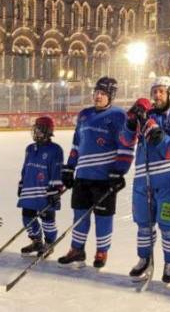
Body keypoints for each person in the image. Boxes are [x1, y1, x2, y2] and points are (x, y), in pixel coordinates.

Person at [58, 77, 134, 269]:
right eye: (96, 92)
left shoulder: (119, 116)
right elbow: (77, 144)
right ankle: (77, 249)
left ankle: (102, 251)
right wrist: (69, 167)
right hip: (83, 177)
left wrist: (119, 172)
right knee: (79, 215)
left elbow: (126, 146)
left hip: (104, 179)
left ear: (111, 96)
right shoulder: (84, 115)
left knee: (103, 217)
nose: (98, 96)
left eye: (103, 93)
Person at [128, 76, 170, 284]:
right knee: (143, 224)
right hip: (143, 181)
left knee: (168, 225)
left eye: (162, 91)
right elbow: (124, 140)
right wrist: (130, 122)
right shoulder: (145, 116)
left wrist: (151, 126)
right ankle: (144, 259)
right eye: (154, 91)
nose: (157, 95)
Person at [18, 116, 64, 257]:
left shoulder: (55, 149)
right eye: (35, 129)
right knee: (27, 217)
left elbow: (57, 171)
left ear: (47, 131)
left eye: (39, 130)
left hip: (46, 192)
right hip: (29, 189)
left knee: (47, 220)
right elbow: (26, 168)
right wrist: (21, 184)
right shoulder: (30, 148)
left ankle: (49, 243)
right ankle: (36, 241)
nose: (36, 132)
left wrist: (55, 190)